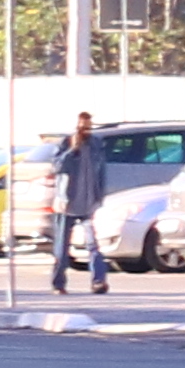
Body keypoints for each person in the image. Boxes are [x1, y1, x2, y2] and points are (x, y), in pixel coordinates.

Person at [50, 112, 112, 296]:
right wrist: (72, 150)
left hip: (89, 203)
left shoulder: (95, 144)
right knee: (62, 248)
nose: (85, 131)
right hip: (67, 204)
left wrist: (100, 195)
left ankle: (98, 282)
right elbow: (57, 167)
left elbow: (101, 170)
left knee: (93, 244)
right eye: (82, 127)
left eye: (88, 127)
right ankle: (58, 284)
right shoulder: (65, 143)